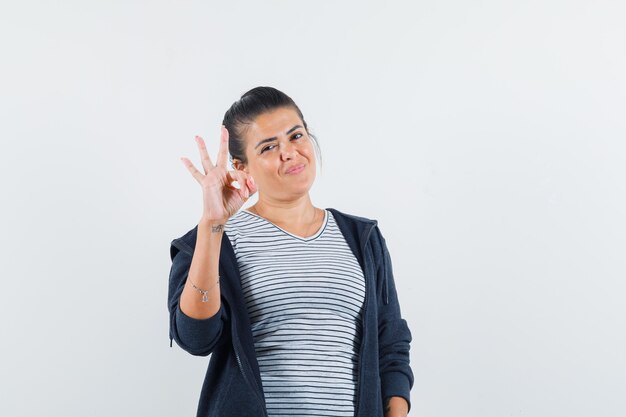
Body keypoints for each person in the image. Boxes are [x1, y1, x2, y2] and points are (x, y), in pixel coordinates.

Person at [168, 86, 414, 417]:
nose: (288, 152)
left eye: (295, 136)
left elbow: (391, 345)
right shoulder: (216, 242)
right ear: (242, 168)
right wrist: (213, 224)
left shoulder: (362, 237)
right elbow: (196, 338)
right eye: (269, 146)